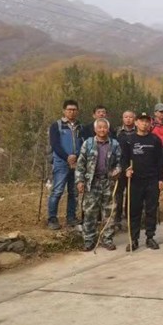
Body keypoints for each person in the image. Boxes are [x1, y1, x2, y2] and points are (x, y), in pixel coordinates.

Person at [75, 118, 122, 251]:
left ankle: (107, 239)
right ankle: (89, 240)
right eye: (99, 127)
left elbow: (119, 162)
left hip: (108, 183)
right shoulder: (88, 143)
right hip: (92, 183)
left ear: (108, 129)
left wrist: (117, 171)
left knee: (109, 212)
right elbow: (80, 164)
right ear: (95, 129)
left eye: (104, 127)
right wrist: (79, 181)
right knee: (90, 212)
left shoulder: (114, 144)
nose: (102, 130)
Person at [122, 112, 163, 251]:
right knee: (134, 210)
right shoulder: (129, 140)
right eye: (141, 121)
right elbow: (124, 159)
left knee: (151, 210)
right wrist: (126, 170)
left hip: (152, 180)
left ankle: (150, 237)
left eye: (147, 121)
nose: (144, 124)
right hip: (135, 181)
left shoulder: (155, 140)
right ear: (136, 123)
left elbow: (160, 161)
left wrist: (160, 179)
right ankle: (133, 239)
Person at [47, 99, 83, 230]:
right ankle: (52, 218)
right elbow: (55, 144)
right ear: (64, 111)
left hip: (76, 163)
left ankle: (71, 218)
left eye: (74, 110)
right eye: (69, 109)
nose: (72, 112)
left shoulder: (80, 127)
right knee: (57, 191)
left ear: (77, 111)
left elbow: (83, 144)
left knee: (73, 192)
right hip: (61, 163)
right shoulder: (56, 125)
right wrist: (67, 157)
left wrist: (77, 156)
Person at [115, 110, 137, 228]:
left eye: (130, 117)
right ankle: (117, 216)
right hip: (120, 165)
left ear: (134, 119)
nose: (128, 119)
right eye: (126, 117)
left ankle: (129, 215)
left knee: (131, 192)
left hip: (134, 166)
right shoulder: (117, 132)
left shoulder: (138, 132)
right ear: (122, 118)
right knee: (119, 192)